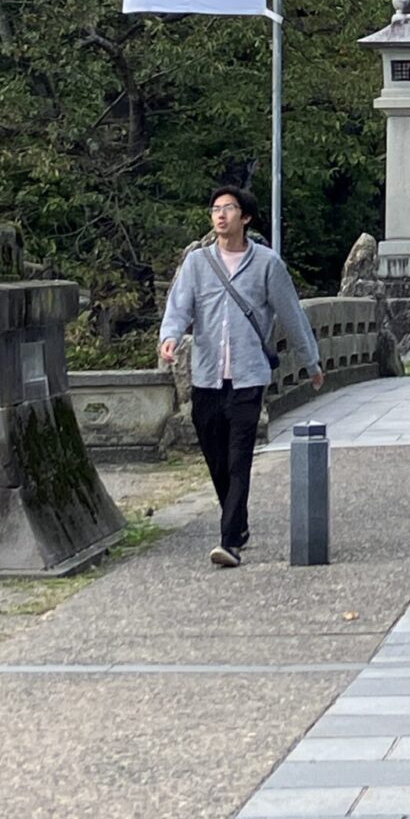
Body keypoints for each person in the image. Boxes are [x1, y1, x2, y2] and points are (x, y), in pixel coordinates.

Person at [159, 184, 323, 567]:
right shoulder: (198, 263)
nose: (220, 215)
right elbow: (179, 307)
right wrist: (170, 337)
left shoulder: (267, 264)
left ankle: (229, 540)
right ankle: (239, 522)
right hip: (207, 377)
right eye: (215, 209)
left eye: (228, 208)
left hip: (249, 377)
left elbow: (292, 315)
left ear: (244, 217)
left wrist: (311, 362)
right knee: (215, 457)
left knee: (238, 458)